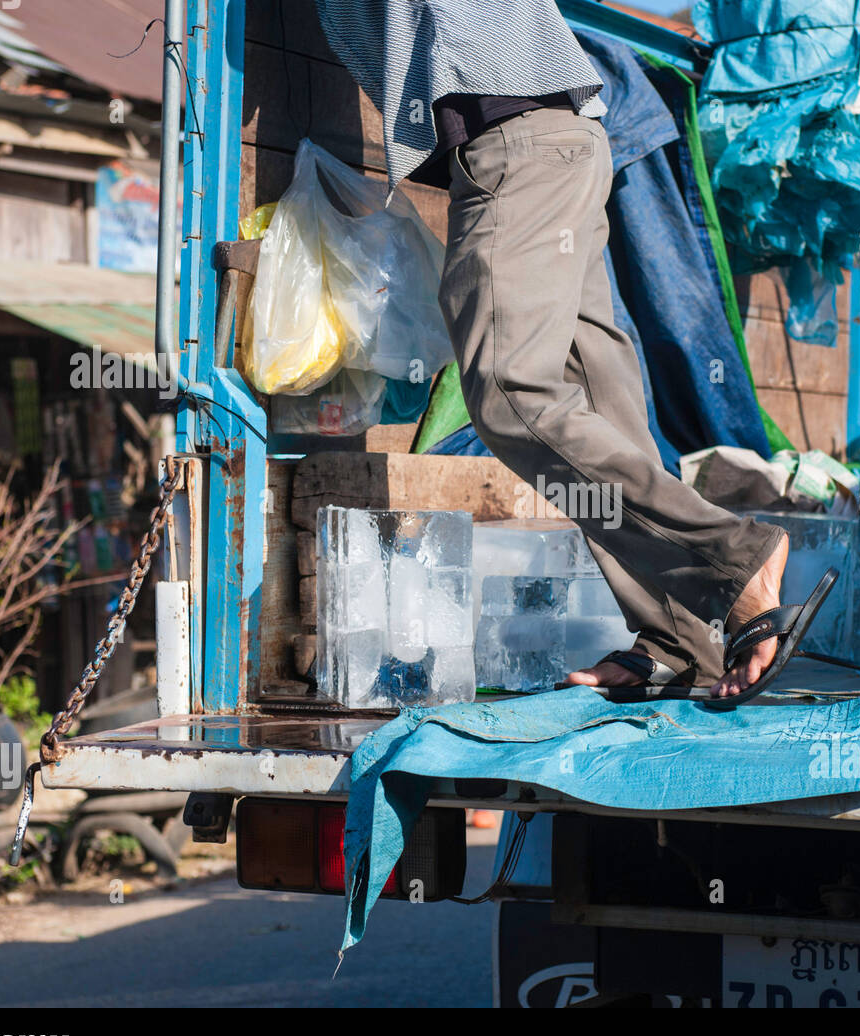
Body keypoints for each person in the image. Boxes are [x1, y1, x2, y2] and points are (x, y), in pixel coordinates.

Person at [316, 0, 811, 703]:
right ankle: (676, 639)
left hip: (514, 144)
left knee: (510, 390)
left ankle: (732, 556)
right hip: (561, 143)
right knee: (598, 411)